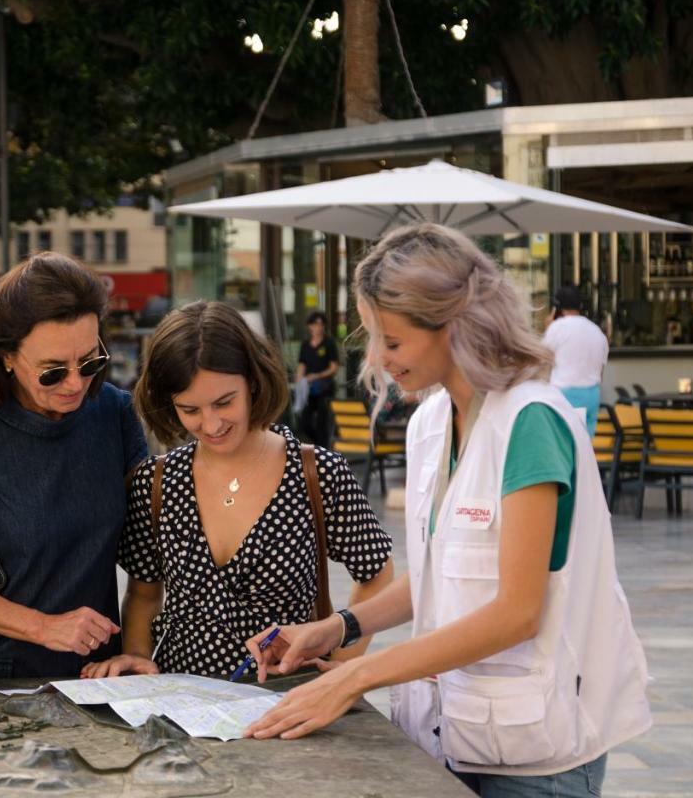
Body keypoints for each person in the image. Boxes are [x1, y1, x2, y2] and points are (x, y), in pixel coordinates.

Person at [245, 224, 651, 798]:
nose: (381, 360)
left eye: (392, 340)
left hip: (538, 756)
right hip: (448, 734)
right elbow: (442, 572)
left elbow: (516, 611)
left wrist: (361, 674)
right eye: (373, 340)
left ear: (452, 326)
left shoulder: (530, 422)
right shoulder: (432, 422)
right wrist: (338, 627)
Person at [82, 301, 394, 680]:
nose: (210, 424)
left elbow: (377, 574)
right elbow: (144, 596)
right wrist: (137, 662)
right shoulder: (157, 482)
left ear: (253, 380)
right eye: (190, 409)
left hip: (289, 698)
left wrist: (341, 666)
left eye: (223, 402)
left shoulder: (318, 473)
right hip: (183, 701)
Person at [0, 252, 148, 679]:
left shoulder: (114, 412)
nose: (76, 383)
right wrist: (44, 628)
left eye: (91, 362)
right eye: (52, 372)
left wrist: (134, 651)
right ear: (7, 357)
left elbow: (148, 554)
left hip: (98, 675)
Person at [542, 286, 609, 435]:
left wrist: (547, 329)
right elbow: (601, 372)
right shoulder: (597, 332)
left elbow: (542, 360)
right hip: (592, 394)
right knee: (585, 447)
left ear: (556, 309)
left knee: (563, 445)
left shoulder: (556, 328)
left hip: (564, 394)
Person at [296, 311, 340, 446]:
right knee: (304, 422)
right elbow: (302, 364)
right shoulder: (305, 344)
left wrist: (317, 376)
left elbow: (334, 368)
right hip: (309, 389)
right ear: (310, 326)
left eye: (321, 324)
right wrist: (299, 379)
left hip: (324, 388)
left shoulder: (329, 343)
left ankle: (323, 450)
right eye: (315, 324)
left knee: (322, 422)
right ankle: (319, 445)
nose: (318, 327)